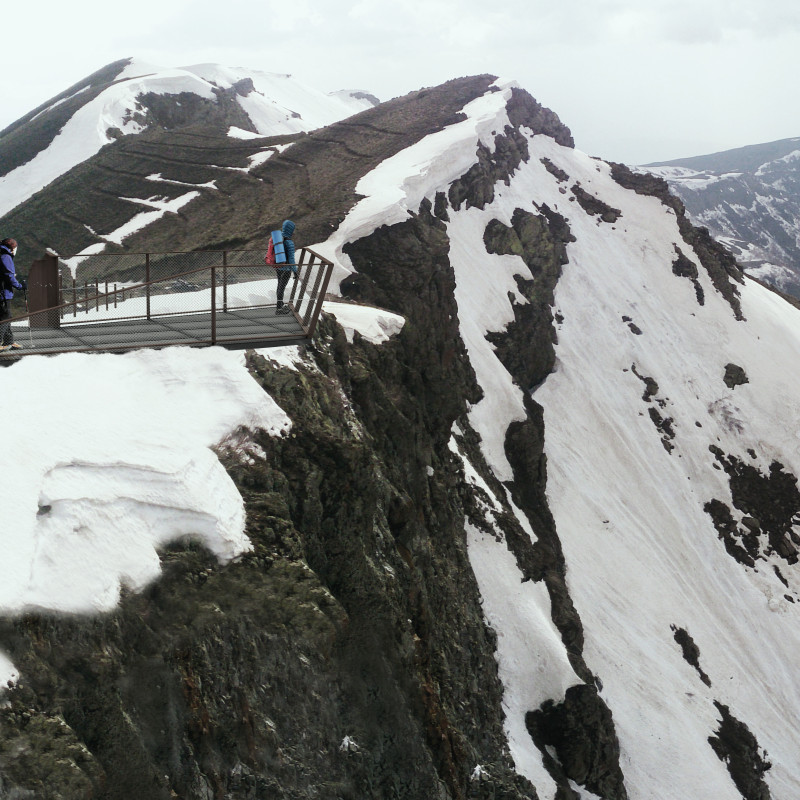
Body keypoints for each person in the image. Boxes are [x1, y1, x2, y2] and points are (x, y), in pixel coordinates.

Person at [0, 238, 26, 352]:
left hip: (2, 291)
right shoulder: (5, 256)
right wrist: (20, 286)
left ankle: (9, 341)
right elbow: (9, 276)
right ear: (11, 247)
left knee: (6, 317)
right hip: (3, 292)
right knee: (6, 317)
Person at [273, 220, 297, 314]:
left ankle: (280, 305)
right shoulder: (289, 242)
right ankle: (279, 308)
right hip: (286, 269)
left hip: (278, 267)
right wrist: (295, 271)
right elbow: (291, 259)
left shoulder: (278, 239)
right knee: (282, 288)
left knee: (279, 286)